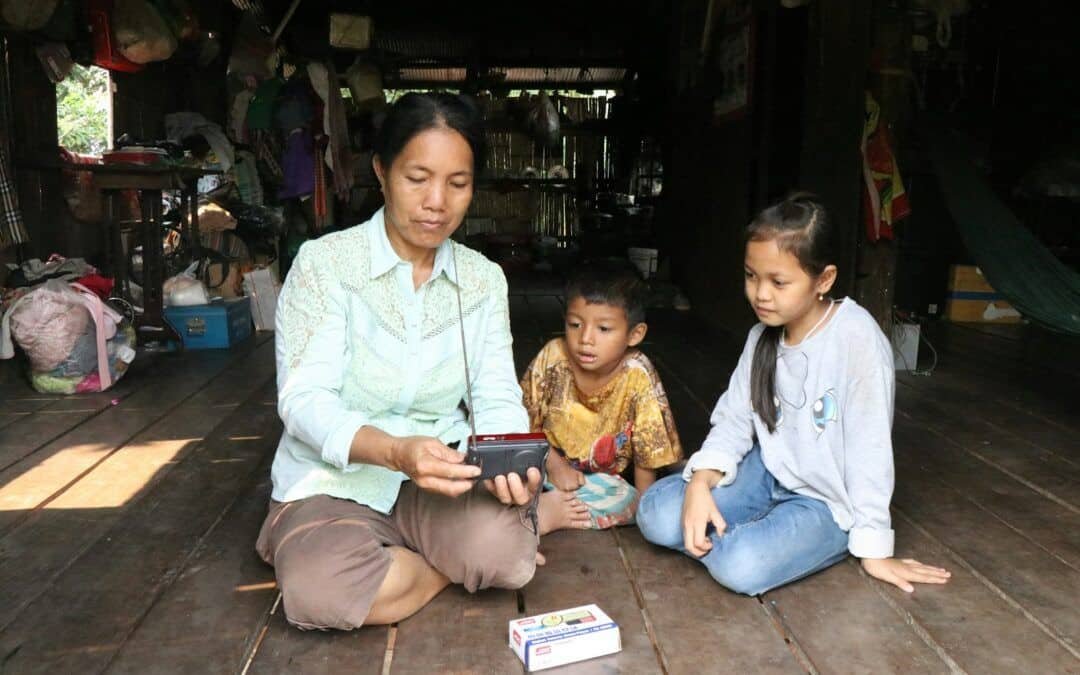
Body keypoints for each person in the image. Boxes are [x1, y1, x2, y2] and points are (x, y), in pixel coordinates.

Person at [256, 93, 543, 631]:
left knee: (506, 558)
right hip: (334, 482)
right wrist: (394, 451)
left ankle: (409, 566)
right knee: (321, 594)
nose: (437, 202)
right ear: (381, 172)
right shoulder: (326, 265)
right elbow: (304, 400)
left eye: (457, 183)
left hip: (441, 478)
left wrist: (507, 461)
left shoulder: (483, 280)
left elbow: (496, 394)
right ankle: (443, 565)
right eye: (417, 178)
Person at [636, 194, 951, 595]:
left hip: (825, 500)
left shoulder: (856, 338)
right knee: (655, 514)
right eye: (751, 276)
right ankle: (747, 535)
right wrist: (700, 481)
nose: (761, 294)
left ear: (824, 280)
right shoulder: (761, 337)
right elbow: (734, 420)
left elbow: (869, 450)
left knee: (742, 566)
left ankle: (771, 541)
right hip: (765, 471)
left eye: (778, 282)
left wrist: (873, 548)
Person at [521, 264, 683, 534]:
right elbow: (521, 419)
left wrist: (646, 510)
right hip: (543, 463)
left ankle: (544, 510)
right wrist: (555, 464)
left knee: (626, 500)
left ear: (635, 334)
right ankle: (541, 508)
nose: (585, 339)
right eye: (575, 325)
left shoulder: (637, 373)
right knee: (507, 476)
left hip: (600, 483)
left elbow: (646, 449)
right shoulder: (553, 356)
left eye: (604, 329)